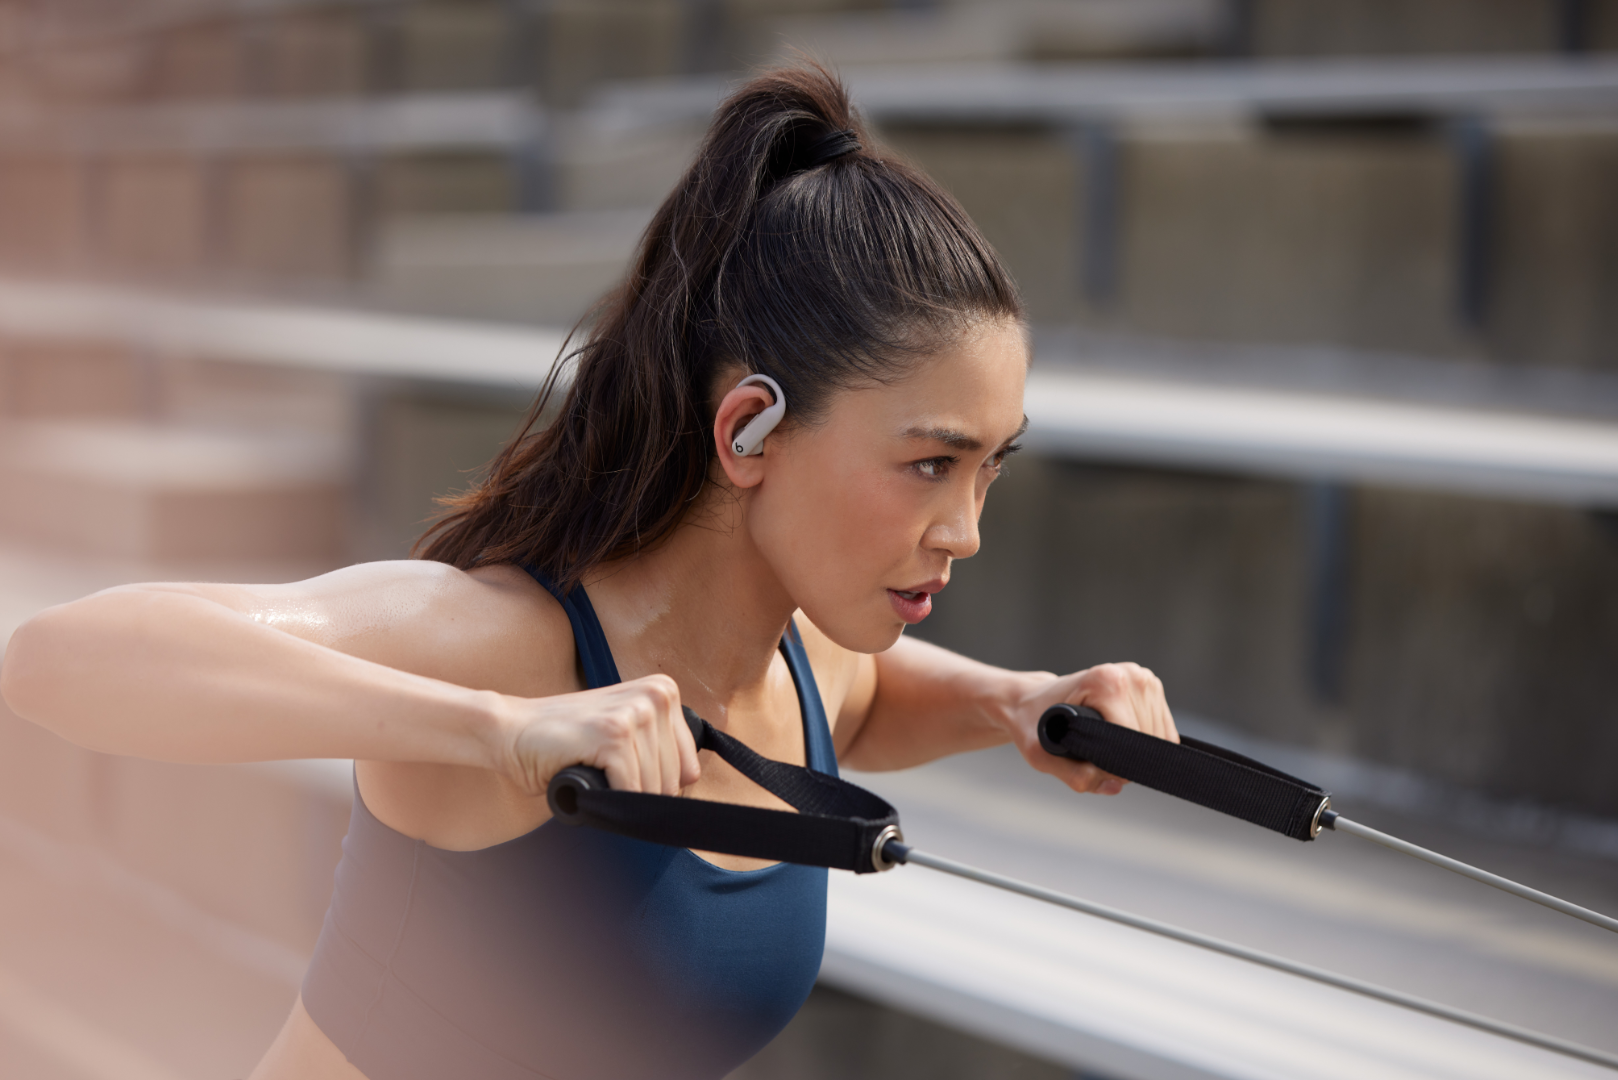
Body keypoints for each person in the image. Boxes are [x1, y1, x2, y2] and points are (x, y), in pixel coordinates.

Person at [0, 63, 1177, 1080]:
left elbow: (865, 700)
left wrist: (1020, 703)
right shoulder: (509, 648)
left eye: (989, 470)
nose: (965, 528)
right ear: (747, 431)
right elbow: (60, 661)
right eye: (929, 464)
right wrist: (496, 733)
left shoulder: (798, 665)